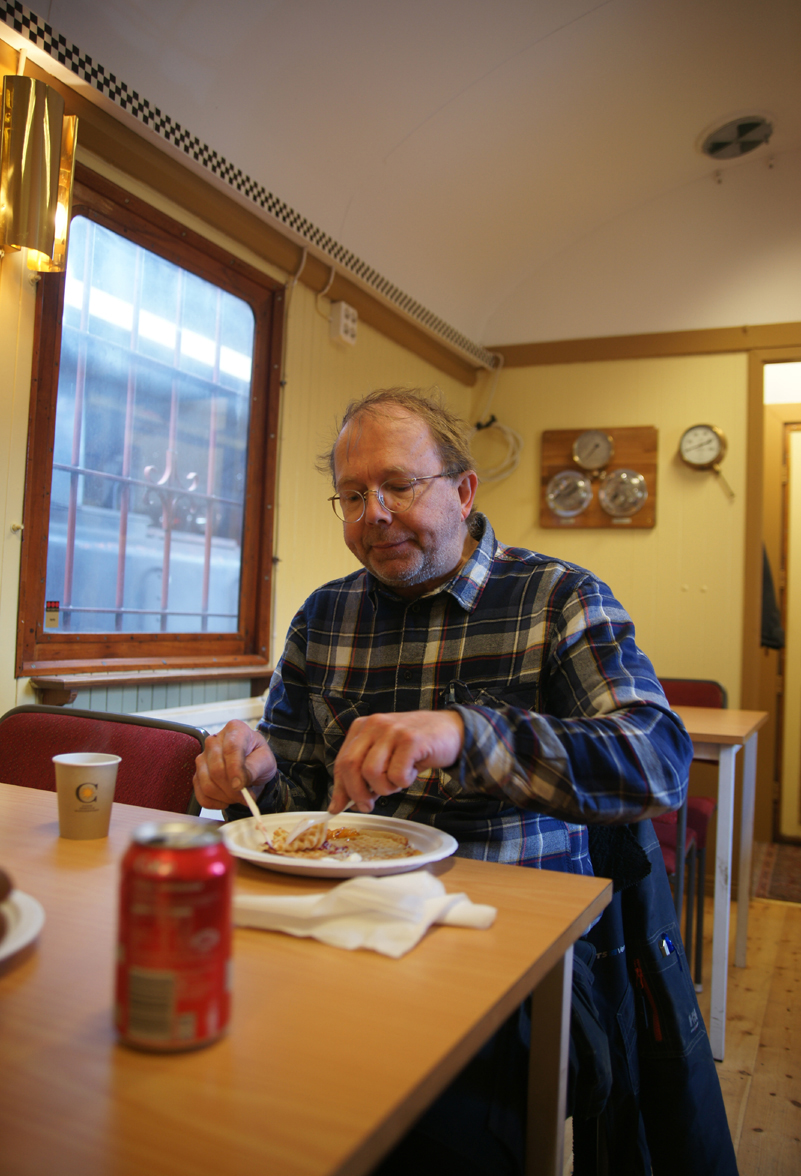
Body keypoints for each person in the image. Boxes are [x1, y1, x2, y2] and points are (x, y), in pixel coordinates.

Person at [194, 387, 716, 1175]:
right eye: (351, 495)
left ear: (464, 491)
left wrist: (466, 734)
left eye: (397, 486)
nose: (373, 514)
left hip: (510, 958)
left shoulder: (558, 599)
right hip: (339, 929)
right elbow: (296, 807)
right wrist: (256, 775)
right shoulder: (322, 618)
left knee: (427, 1130)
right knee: (225, 1073)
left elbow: (659, 761)